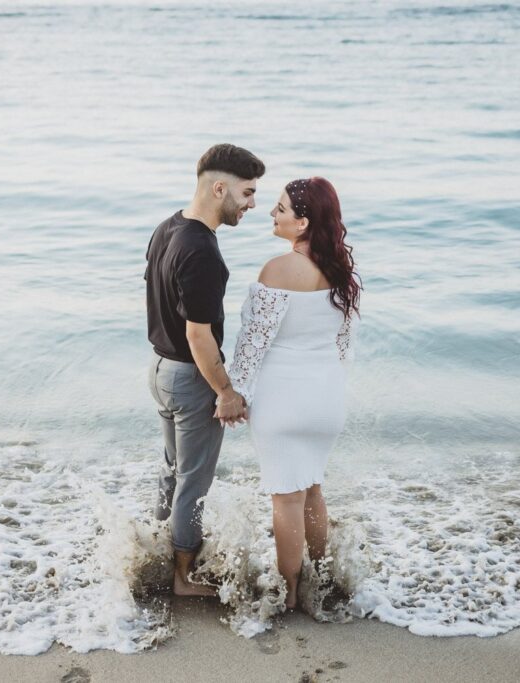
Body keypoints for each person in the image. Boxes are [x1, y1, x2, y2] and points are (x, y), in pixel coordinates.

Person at [228, 177, 359, 610]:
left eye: (281, 209)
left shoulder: (277, 269)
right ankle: (320, 579)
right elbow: (343, 344)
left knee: (286, 495)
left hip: (283, 399)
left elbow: (252, 344)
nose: (272, 213)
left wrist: (234, 393)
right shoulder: (341, 273)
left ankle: (287, 595)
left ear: (302, 223)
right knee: (313, 487)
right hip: (326, 398)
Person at [145, 144, 266, 596]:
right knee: (193, 482)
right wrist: (226, 391)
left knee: (173, 471)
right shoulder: (202, 253)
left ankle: (162, 548)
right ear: (220, 188)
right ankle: (182, 576)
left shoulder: (167, 228)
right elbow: (200, 337)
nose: (253, 204)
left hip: (159, 369)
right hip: (189, 376)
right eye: (247, 193)